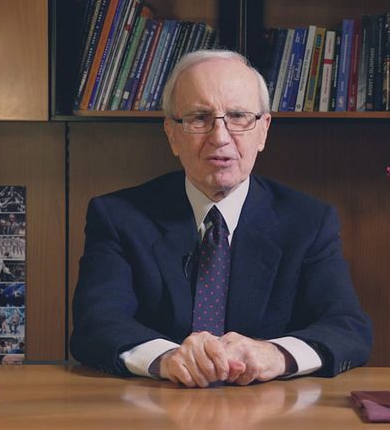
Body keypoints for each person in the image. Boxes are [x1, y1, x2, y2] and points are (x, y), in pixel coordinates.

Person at [70, 50, 373, 388]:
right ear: (172, 134)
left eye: (238, 117)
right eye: (200, 118)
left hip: (271, 410)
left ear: (263, 131)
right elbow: (96, 324)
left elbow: (347, 328)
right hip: (157, 405)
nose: (220, 137)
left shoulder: (309, 222)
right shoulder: (119, 217)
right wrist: (167, 358)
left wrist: (274, 355)